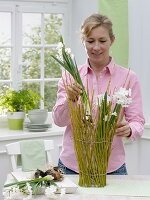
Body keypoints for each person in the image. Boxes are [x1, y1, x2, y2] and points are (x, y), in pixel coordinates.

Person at [52, 13, 145, 175]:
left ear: (112, 40)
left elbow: (137, 121)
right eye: (90, 41)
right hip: (71, 168)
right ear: (83, 41)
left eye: (102, 41)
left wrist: (129, 129)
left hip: (112, 168)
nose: (96, 47)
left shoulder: (129, 78)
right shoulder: (70, 77)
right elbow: (59, 121)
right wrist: (69, 100)